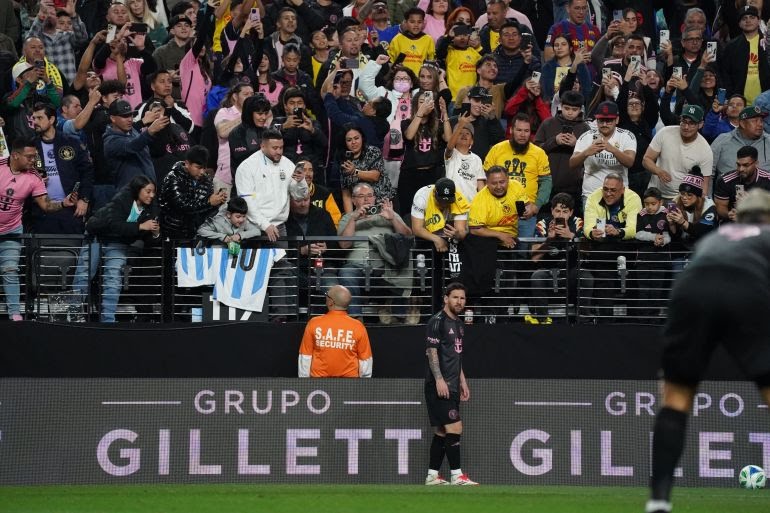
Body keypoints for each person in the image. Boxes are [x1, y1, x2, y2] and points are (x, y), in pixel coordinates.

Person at [645, 188, 770, 513]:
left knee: (676, 398)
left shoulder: (716, 238)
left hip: (689, 290)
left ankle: (658, 502)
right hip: (746, 288)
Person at [0, 137, 78, 321]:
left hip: (11, 231)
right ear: (15, 155)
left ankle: (14, 315)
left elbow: (46, 205)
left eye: (34, 156)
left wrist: (63, 204)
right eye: (29, 157)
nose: (33, 160)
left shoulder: (34, 177)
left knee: (10, 270)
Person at [69, 175, 159, 323]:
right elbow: (115, 224)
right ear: (138, 190)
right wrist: (140, 226)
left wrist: (155, 234)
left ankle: (108, 321)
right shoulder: (122, 199)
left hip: (119, 242)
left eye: (153, 192)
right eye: (148, 191)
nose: (152, 195)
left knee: (113, 279)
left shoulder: (151, 209)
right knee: (84, 274)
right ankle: (73, 316)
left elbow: (148, 236)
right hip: (96, 236)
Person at [423, 281, 478, 486]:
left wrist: (463, 381)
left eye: (462, 298)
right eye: (455, 297)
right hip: (439, 385)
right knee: (455, 427)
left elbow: (457, 356)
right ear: (446, 299)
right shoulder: (437, 321)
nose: (459, 301)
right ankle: (457, 475)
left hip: (453, 384)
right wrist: (439, 380)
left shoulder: (460, 325)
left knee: (442, 431)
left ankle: (432, 476)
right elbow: (431, 352)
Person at [337, 182, 413, 320]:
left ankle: (399, 317)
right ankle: (355, 318)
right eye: (361, 196)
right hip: (357, 265)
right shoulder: (348, 218)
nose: (366, 199)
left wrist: (393, 218)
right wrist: (354, 219)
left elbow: (408, 237)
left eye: (370, 195)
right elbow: (344, 244)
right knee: (346, 273)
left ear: (374, 198)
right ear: (353, 200)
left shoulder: (388, 213)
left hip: (386, 264)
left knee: (403, 265)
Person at [484, 113, 552, 238]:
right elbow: (485, 179)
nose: (523, 134)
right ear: (511, 130)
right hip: (498, 211)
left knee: (524, 248)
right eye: (519, 130)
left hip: (526, 212)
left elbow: (546, 182)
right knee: (499, 247)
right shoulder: (497, 149)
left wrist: (536, 206)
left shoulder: (539, 153)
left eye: (526, 131)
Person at [298, 284, 373, 378]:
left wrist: (304, 382)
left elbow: (305, 356)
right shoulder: (358, 327)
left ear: (331, 302)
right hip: (350, 383)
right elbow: (365, 361)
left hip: (318, 384)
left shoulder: (314, 323)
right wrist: (364, 384)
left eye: (327, 295)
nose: (326, 297)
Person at [570, 101, 637, 206]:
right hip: (591, 194)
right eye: (601, 121)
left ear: (617, 120)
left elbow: (630, 162)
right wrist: (586, 152)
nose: (604, 124)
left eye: (609, 121)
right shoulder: (586, 137)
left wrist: (613, 149)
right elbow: (572, 163)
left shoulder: (626, 136)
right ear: (596, 120)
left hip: (618, 195)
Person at [643, 104, 713, 201]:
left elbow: (703, 188)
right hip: (655, 194)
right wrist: (658, 171)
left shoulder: (705, 150)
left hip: (682, 199)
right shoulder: (665, 133)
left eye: (691, 123)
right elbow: (646, 159)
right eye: (684, 121)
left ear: (700, 124)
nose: (686, 127)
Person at [160, 145, 227, 240]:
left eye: (204, 168)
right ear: (187, 164)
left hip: (196, 232)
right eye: (198, 167)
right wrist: (209, 202)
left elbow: (205, 210)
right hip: (172, 233)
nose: (202, 172)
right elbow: (182, 206)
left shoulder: (206, 180)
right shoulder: (173, 178)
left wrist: (217, 202)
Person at [103, 99, 169, 189]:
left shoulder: (133, 131)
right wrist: (150, 131)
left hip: (147, 190)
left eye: (131, 115)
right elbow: (132, 146)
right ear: (113, 118)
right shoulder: (111, 141)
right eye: (125, 116)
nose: (130, 119)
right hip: (129, 193)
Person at [711, 105, 770, 184]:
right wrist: (707, 192)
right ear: (742, 124)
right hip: (727, 190)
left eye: (761, 121)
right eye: (755, 121)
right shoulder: (722, 141)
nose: (760, 124)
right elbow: (708, 172)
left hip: (763, 191)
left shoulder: (768, 141)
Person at [714, 145, 770, 223]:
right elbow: (720, 207)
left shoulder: (767, 179)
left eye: (746, 165)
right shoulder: (725, 180)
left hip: (761, 223)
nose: (741, 169)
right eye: (738, 165)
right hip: (733, 224)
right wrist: (730, 214)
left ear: (756, 164)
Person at [197, 196, 262, 243]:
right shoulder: (218, 221)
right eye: (238, 217)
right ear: (228, 215)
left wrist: (240, 235)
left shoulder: (243, 222)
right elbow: (201, 230)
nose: (241, 220)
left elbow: (257, 231)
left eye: (244, 216)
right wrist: (222, 236)